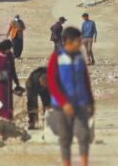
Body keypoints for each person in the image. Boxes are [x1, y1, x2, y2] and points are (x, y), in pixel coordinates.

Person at [46, 26, 96, 166]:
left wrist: (91, 102)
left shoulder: (79, 57)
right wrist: (63, 102)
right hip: (61, 107)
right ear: (69, 41)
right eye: (78, 41)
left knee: (83, 136)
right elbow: (52, 83)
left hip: (80, 103)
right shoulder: (56, 57)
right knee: (65, 138)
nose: (80, 44)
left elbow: (85, 80)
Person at [0, 40, 21, 121]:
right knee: (1, 103)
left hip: (8, 84)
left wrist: (17, 83)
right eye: (8, 48)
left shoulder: (10, 56)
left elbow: (13, 70)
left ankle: (9, 119)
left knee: (8, 103)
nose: (9, 50)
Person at [26, 66, 50, 130]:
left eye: (45, 85)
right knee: (32, 103)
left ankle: (47, 121)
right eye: (43, 85)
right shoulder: (33, 80)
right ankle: (32, 122)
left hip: (45, 82)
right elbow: (32, 102)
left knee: (47, 102)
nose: (44, 86)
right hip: (31, 86)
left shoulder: (51, 77)